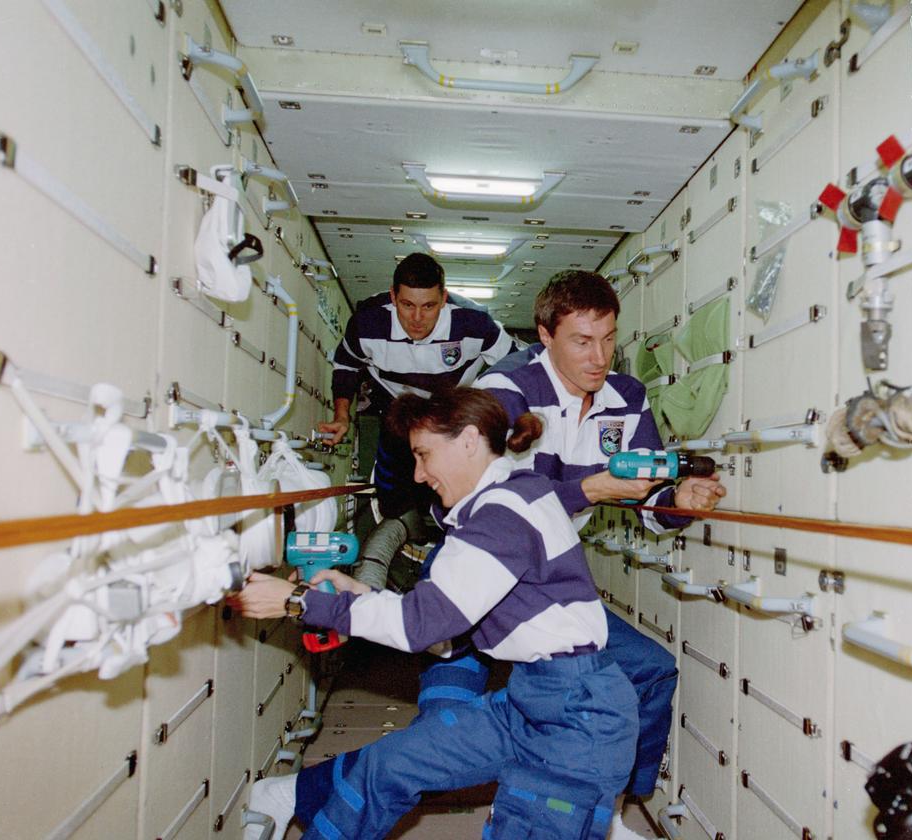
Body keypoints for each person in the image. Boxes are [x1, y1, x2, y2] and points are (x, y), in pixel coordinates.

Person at [276, 271, 727, 839]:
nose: (600, 357)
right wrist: (593, 487)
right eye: (582, 342)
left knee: (651, 670)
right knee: (442, 729)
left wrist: (675, 499)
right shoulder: (505, 390)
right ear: (544, 335)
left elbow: (644, 491)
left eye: (609, 339)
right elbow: (509, 494)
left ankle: (608, 810)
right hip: (474, 555)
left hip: (546, 571)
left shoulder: (627, 397)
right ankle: (300, 792)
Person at [232, 388, 638, 840]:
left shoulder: (499, 517)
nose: (420, 475)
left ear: (468, 440)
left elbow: (421, 626)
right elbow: (446, 630)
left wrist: (299, 603)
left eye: (424, 455)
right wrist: (363, 593)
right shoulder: (513, 494)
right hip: (531, 697)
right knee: (389, 765)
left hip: (578, 716)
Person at [319, 252, 516, 521]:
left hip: (450, 405)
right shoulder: (367, 324)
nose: (417, 318)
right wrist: (341, 416)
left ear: (444, 299)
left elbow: (515, 366)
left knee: (447, 472)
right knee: (394, 484)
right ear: (392, 297)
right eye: (407, 305)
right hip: (396, 403)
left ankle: (449, 523)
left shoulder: (474, 323)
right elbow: (346, 366)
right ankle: (399, 521)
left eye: (428, 306)